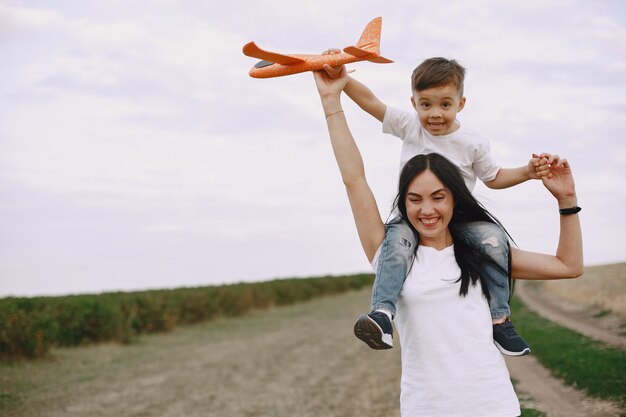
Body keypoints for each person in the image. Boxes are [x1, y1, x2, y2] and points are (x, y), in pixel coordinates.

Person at [313, 67, 583, 417]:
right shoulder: (391, 251)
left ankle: (502, 323)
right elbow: (354, 179)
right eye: (414, 199)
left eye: (438, 197)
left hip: (495, 408)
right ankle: (382, 315)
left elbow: (569, 266)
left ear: (455, 198)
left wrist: (567, 199)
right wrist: (331, 99)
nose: (427, 210)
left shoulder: (482, 251)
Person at [322, 54, 550, 355]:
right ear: (414, 103)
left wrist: (527, 172)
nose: (435, 113)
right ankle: (382, 315)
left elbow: (493, 177)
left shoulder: (473, 142)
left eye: (445, 104)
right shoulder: (410, 126)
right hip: (413, 218)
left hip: (462, 218)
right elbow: (372, 102)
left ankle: (500, 320)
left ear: (461, 103)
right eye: (426, 104)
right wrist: (344, 80)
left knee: (495, 241)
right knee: (397, 244)